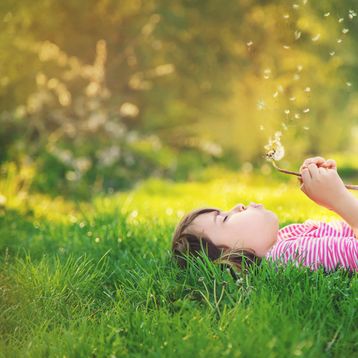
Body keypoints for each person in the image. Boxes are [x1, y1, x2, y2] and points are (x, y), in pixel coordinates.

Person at [171, 157, 358, 273]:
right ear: (231, 256)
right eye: (225, 218)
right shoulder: (288, 255)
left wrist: (331, 192)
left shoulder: (284, 237)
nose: (237, 206)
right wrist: (339, 199)